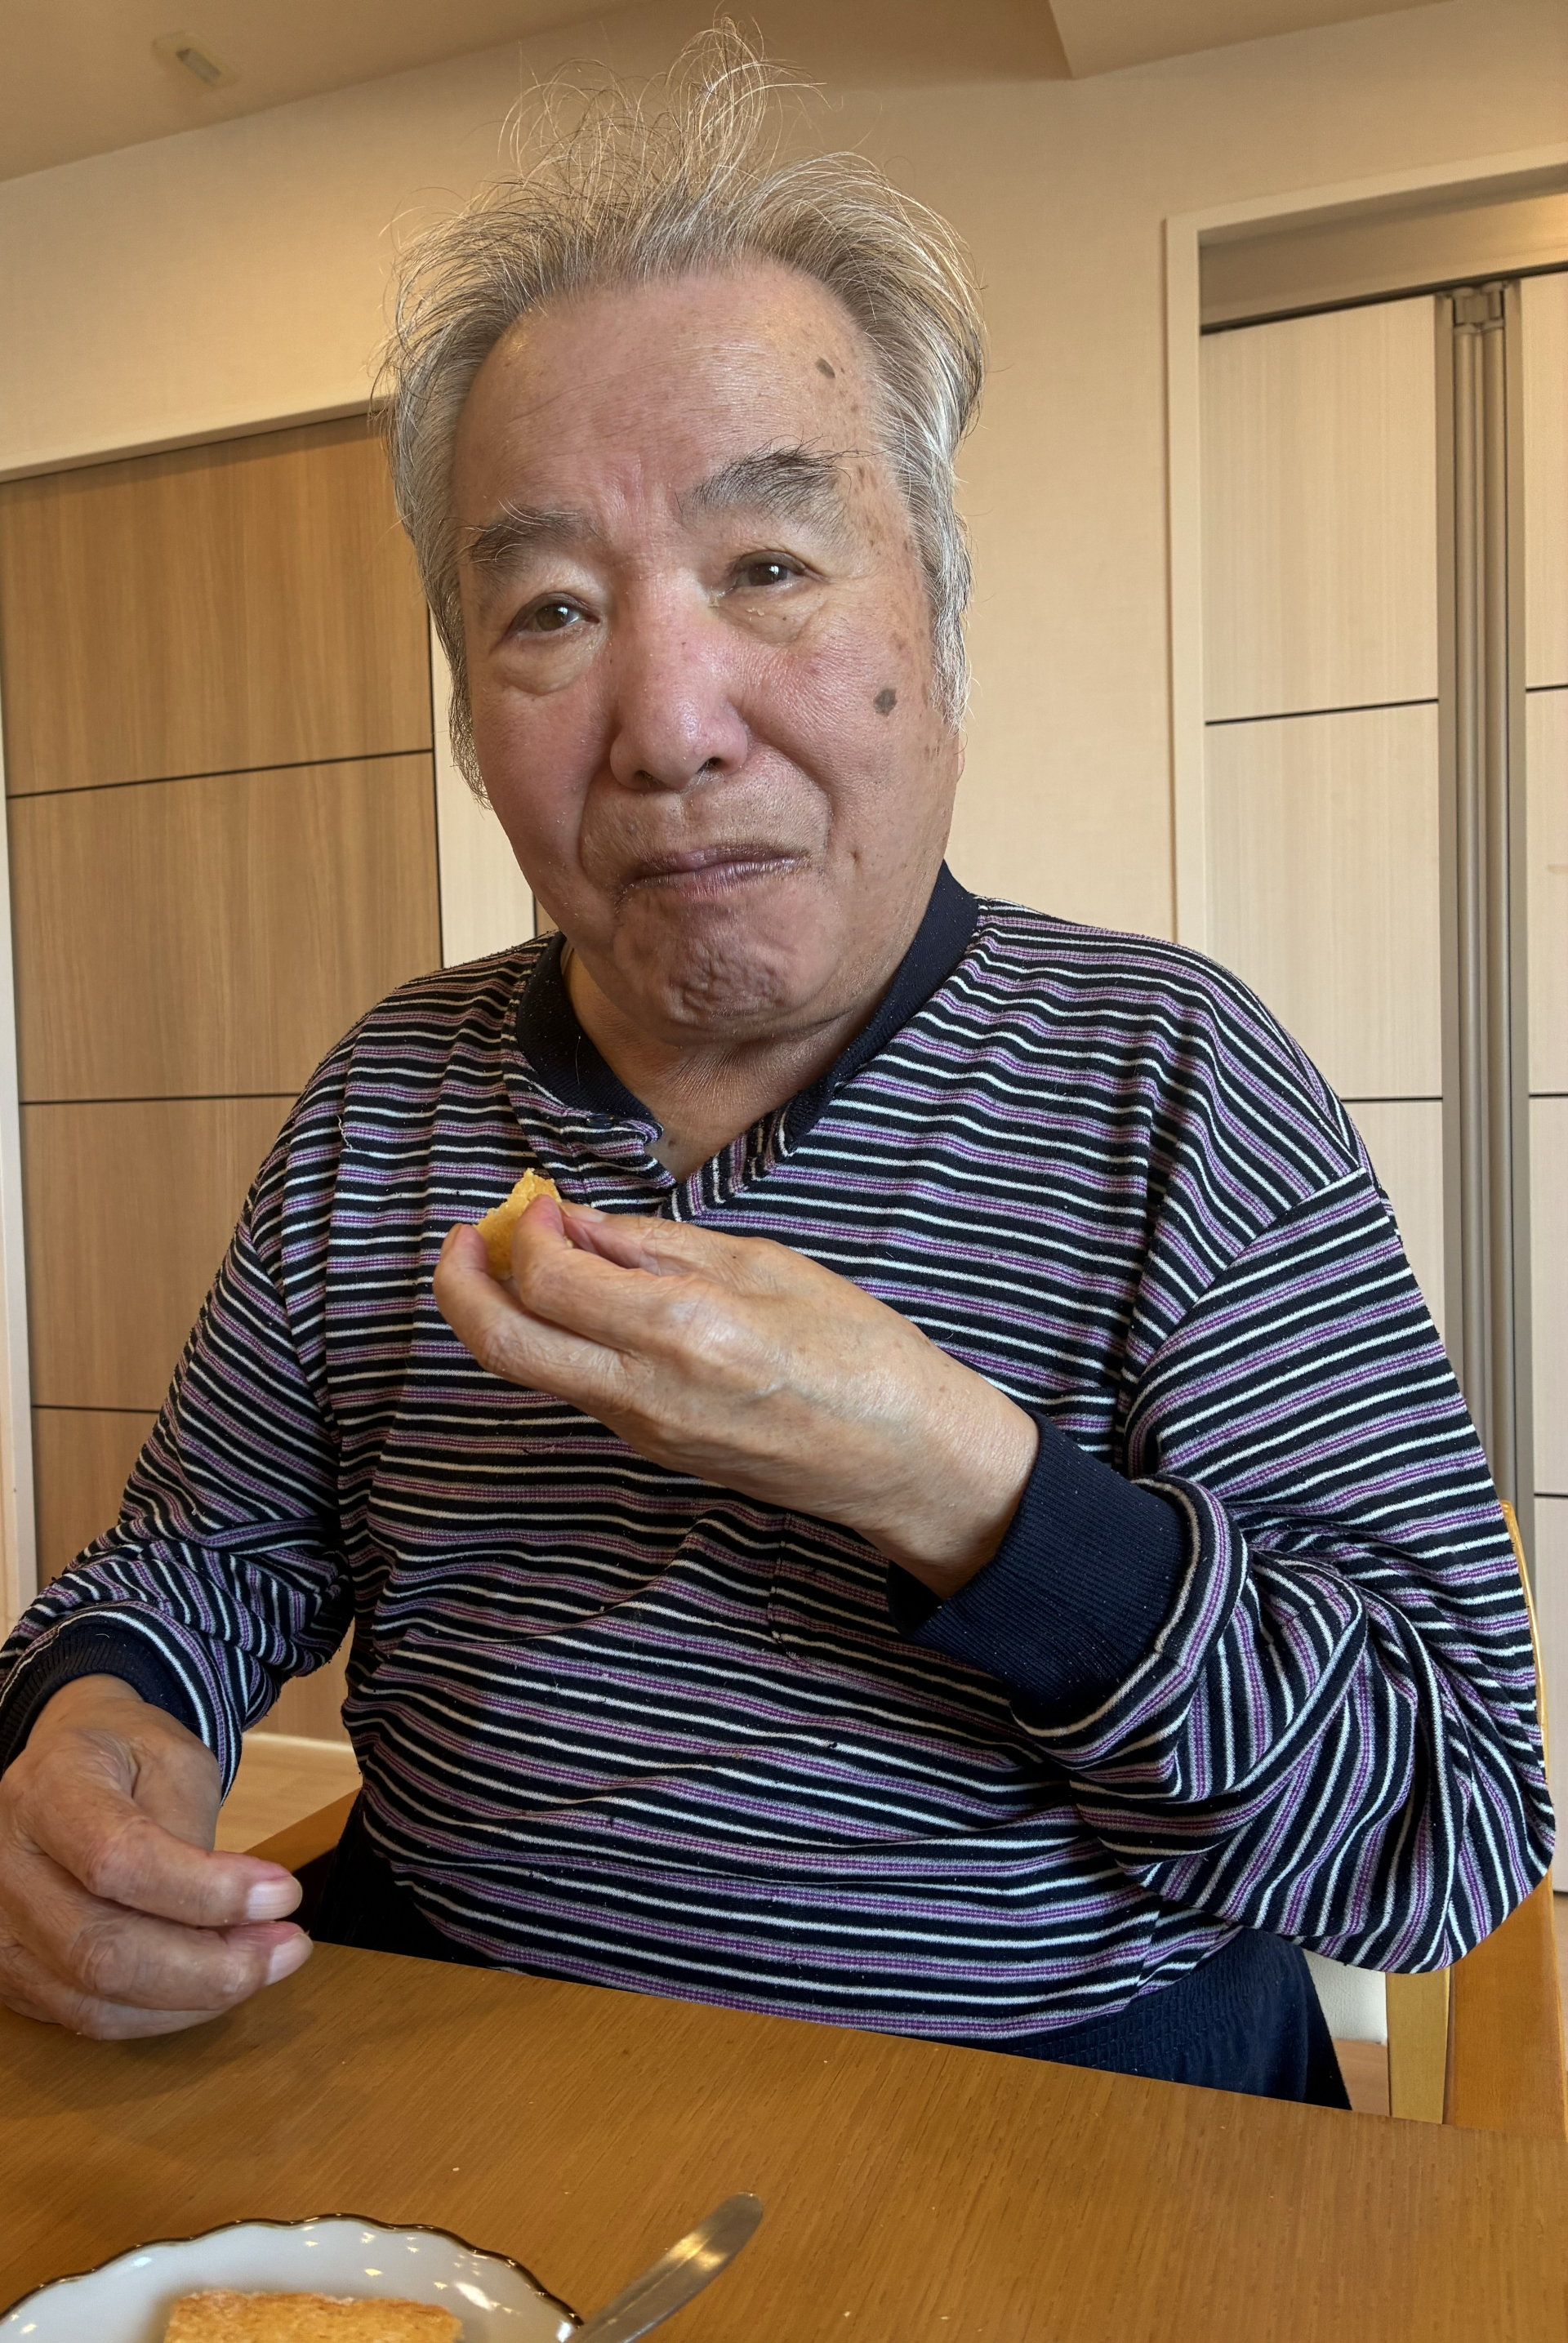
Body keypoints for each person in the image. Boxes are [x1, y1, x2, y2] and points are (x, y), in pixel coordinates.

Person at [0, 28, 1550, 2100]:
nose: (668, 720)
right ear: (472, 714)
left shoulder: (1172, 1082)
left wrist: (952, 1478)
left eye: (769, 568)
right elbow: (208, 1559)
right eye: (551, 610)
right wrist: (95, 1731)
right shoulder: (393, 1097)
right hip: (459, 2100)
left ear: (944, 634)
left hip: (1044, 2132)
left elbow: (1446, 1823)